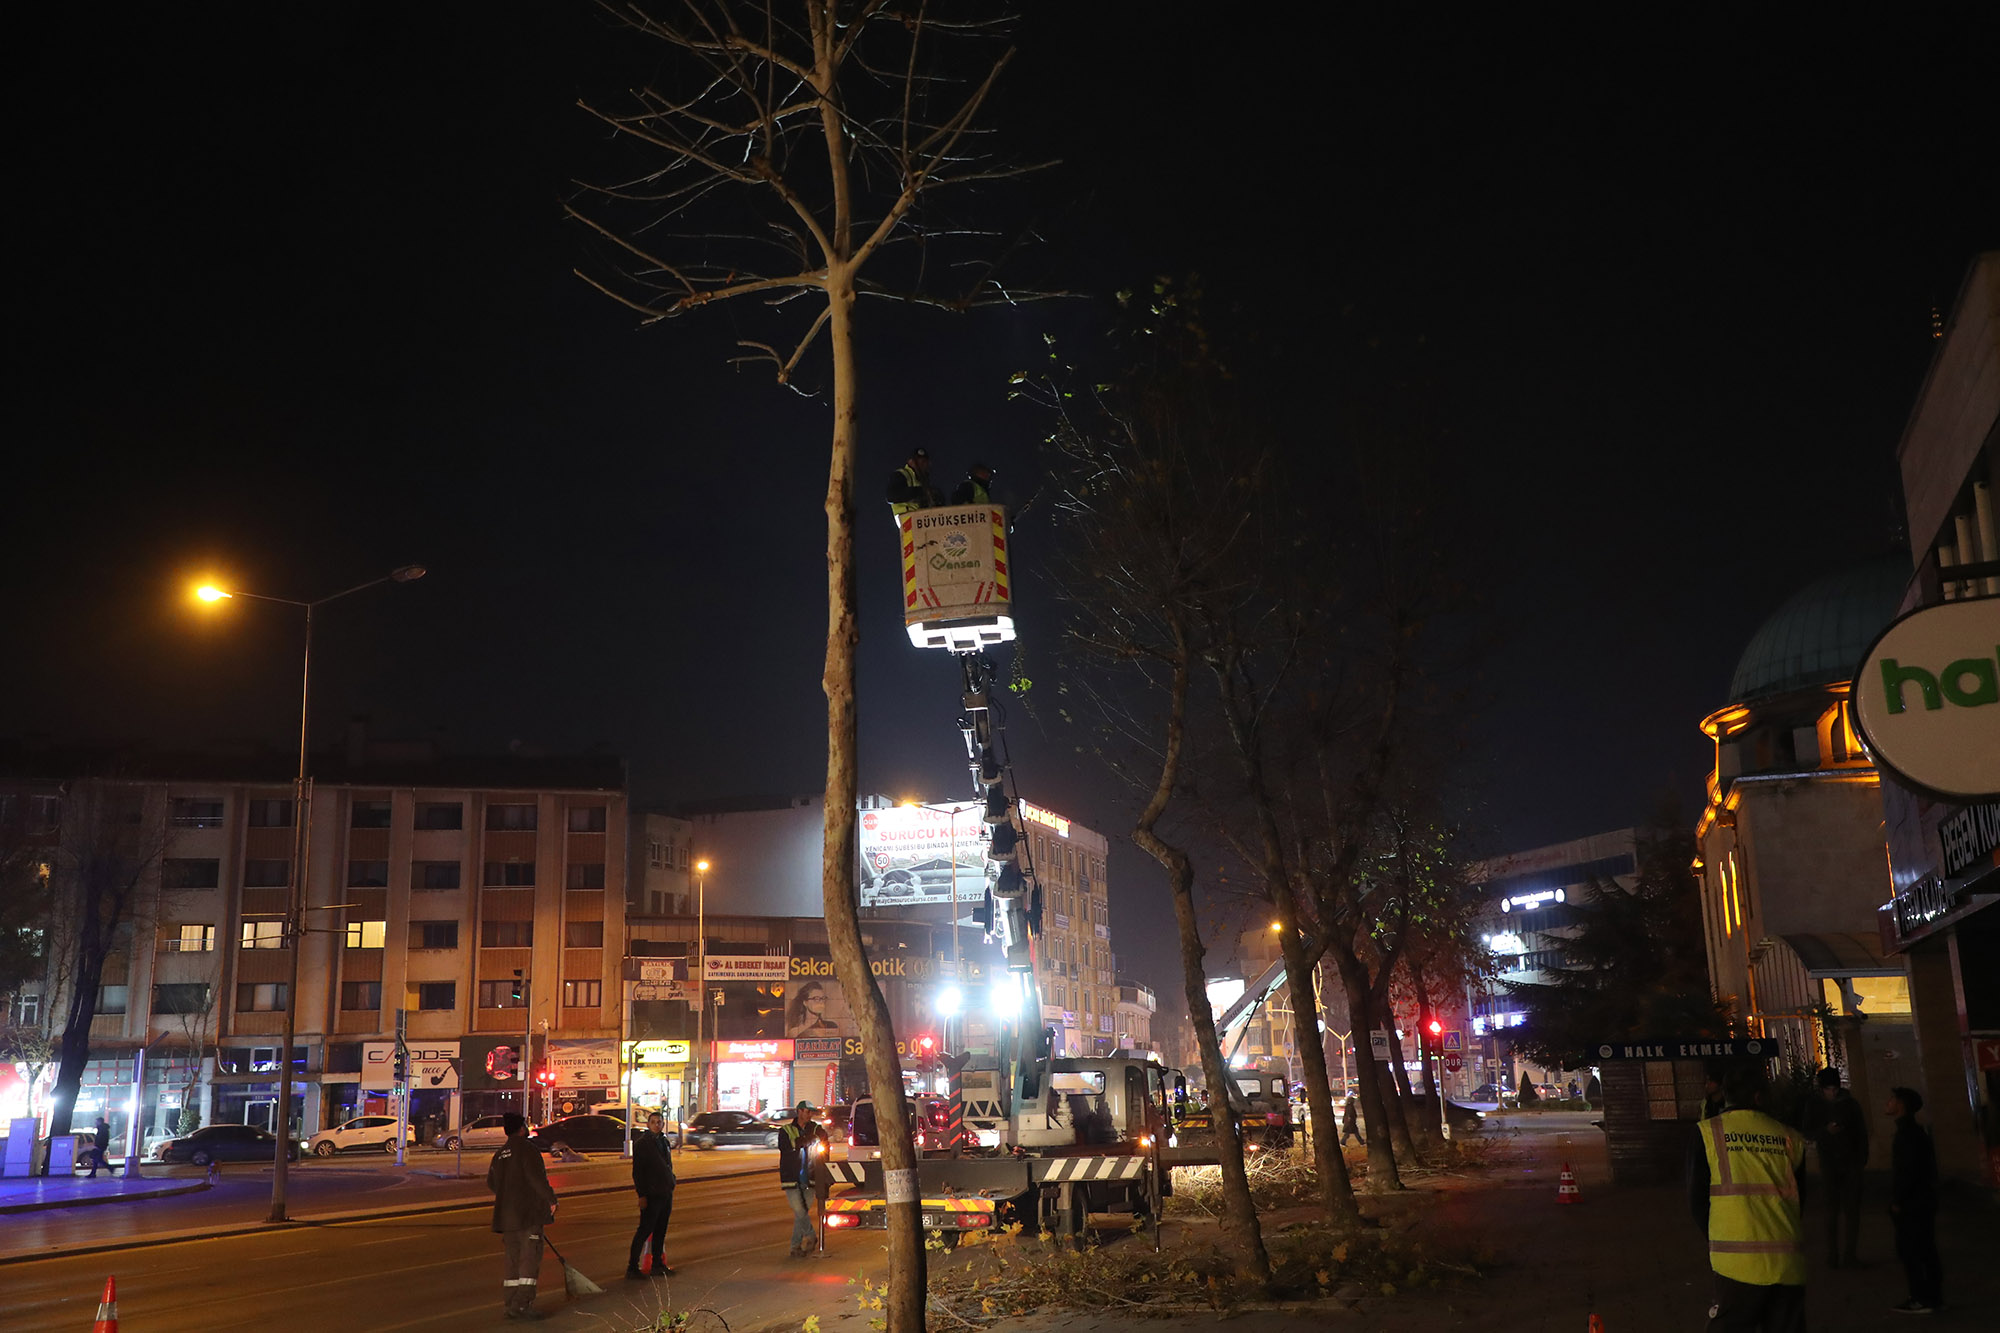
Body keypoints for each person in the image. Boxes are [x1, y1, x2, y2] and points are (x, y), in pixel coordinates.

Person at [1689, 1065, 1808, 1333]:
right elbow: (1801, 1199)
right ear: (1759, 1096)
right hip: (1787, 1259)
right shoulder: (1790, 1137)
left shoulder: (1709, 1133)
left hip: (1736, 1263)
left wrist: (1717, 1236)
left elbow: (1697, 1201)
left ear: (1726, 1093)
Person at [487, 1112, 558, 1321]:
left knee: (512, 1260)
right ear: (521, 1128)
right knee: (529, 1260)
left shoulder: (500, 1154)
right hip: (527, 1215)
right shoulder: (528, 1150)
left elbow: (492, 1183)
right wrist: (551, 1199)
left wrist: (507, 1194)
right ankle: (522, 1305)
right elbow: (537, 1179)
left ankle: (510, 1303)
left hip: (506, 1217)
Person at [1885, 1086, 1942, 1314]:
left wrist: (1898, 1200)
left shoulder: (1907, 1135)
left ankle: (1921, 1297)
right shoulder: (1914, 1133)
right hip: (1922, 1200)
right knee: (1925, 1249)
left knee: (1913, 1251)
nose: (1888, 1103)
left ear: (1901, 1105)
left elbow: (1907, 1171)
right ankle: (1932, 1297)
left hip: (1913, 1204)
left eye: (1892, 1099)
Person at [1807, 1067, 1868, 1268]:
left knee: (1851, 1211)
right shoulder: (1816, 1105)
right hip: (1829, 1163)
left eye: (1834, 1089)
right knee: (1831, 1211)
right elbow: (1807, 1131)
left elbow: (1861, 1132)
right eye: (1828, 1089)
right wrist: (1825, 1132)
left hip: (1849, 1162)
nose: (1831, 1093)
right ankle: (1833, 1254)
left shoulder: (1849, 1105)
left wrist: (1860, 1159)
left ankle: (1849, 1254)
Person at [626, 1111, 677, 1280]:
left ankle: (657, 1264)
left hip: (665, 1192)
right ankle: (632, 1267)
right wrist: (642, 1195)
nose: (657, 1124)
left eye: (659, 1122)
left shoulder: (663, 1141)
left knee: (660, 1230)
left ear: (663, 1124)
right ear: (648, 1124)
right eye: (653, 1122)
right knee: (645, 1230)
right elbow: (638, 1172)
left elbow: (668, 1165)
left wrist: (671, 1181)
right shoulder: (643, 1144)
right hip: (652, 1194)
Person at [778, 1100, 829, 1258]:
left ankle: (795, 1247)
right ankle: (812, 1236)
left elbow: (824, 1145)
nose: (810, 1115)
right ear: (799, 1111)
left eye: (812, 1112)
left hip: (811, 1178)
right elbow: (788, 1146)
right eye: (807, 1111)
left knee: (801, 1214)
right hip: (791, 1179)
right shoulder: (786, 1130)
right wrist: (809, 1140)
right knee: (800, 1211)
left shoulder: (816, 1129)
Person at [886, 447, 939, 522]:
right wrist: (920, 492)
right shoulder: (901, 475)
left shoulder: (921, 481)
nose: (924, 466)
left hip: (921, 522)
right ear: (910, 462)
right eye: (921, 462)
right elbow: (891, 496)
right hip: (907, 521)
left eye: (925, 462)